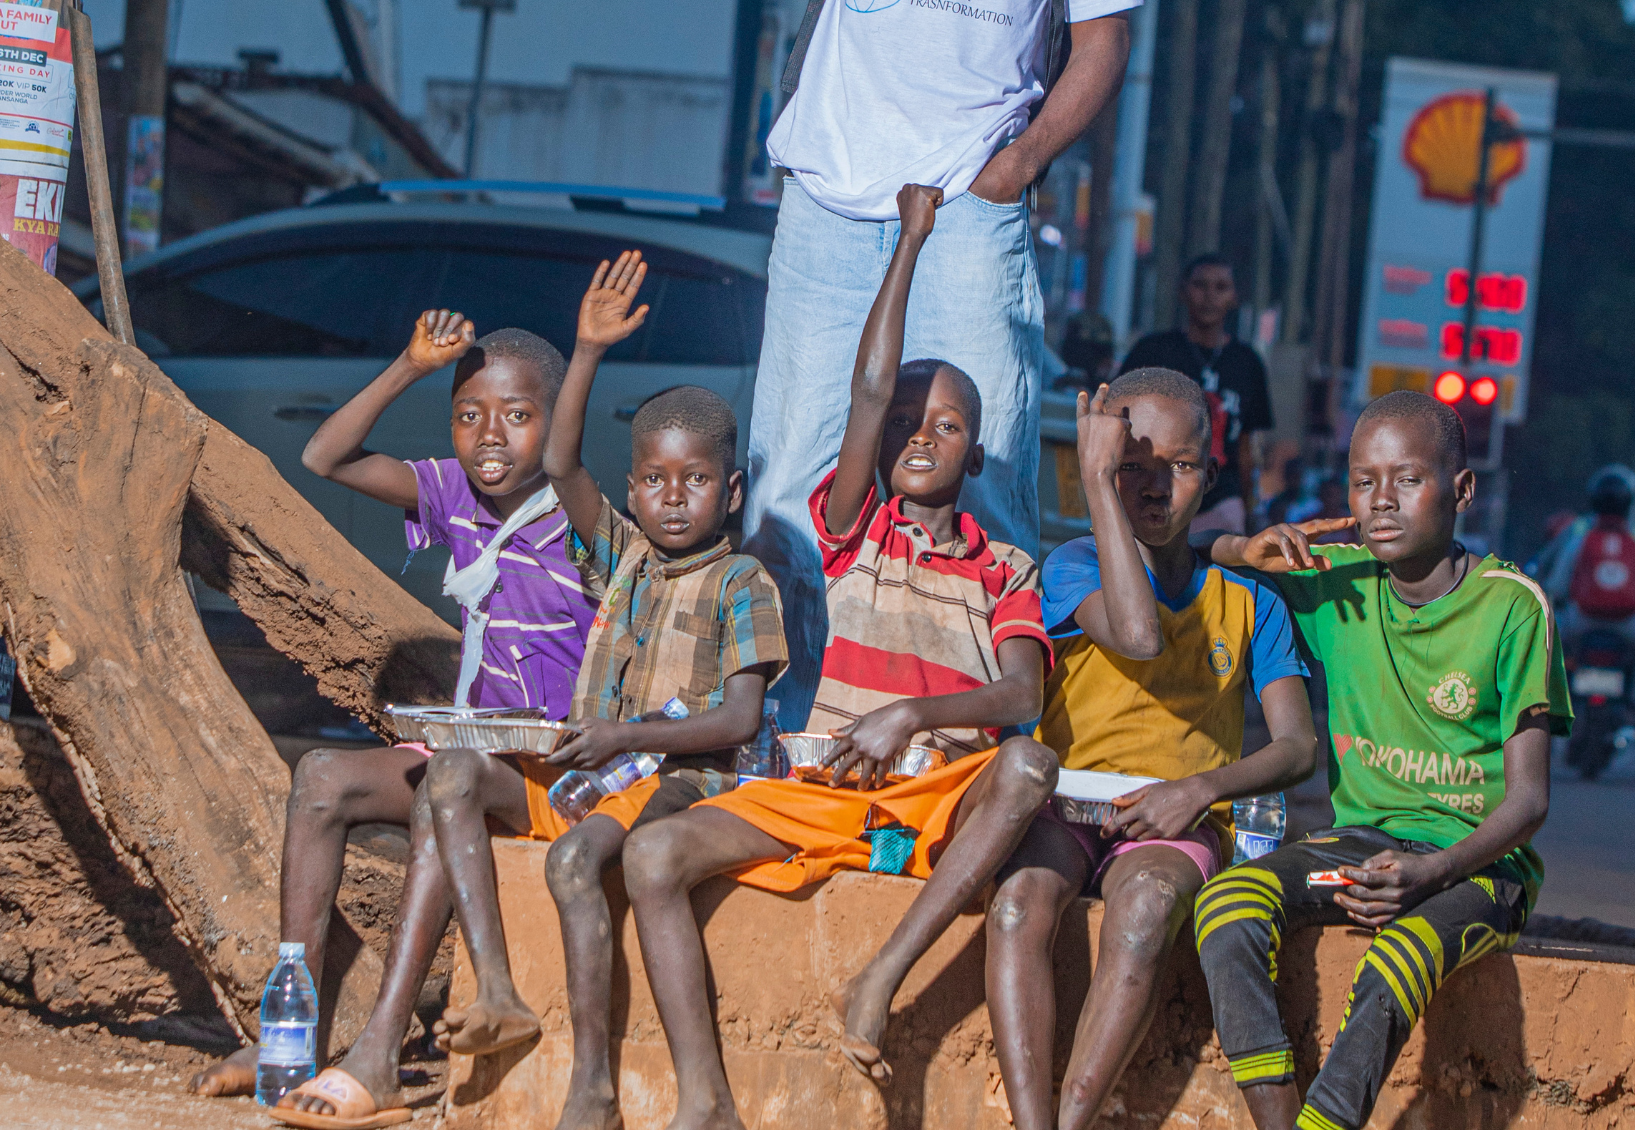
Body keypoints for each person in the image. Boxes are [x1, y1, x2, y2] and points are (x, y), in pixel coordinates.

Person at [618, 0, 1140, 721]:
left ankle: (982, 732)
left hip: (970, 214)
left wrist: (1012, 166)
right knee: (798, 471)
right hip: (831, 212)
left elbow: (1100, 47)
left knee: (985, 468)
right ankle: (786, 726)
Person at [619, 183, 1061, 1123]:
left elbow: (1020, 692)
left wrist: (914, 715)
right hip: (826, 790)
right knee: (654, 858)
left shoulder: (1007, 567)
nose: (917, 435)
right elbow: (868, 389)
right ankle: (705, 1099)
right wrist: (908, 245)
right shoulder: (853, 528)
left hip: (937, 798)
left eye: (947, 425)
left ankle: (882, 975)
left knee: (1027, 765)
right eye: (906, 420)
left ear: (978, 454)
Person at [193, 315, 586, 1101]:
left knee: (453, 784)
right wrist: (408, 365)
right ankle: (287, 1036)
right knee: (322, 777)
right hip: (469, 750)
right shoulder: (455, 495)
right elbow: (324, 455)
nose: (490, 437)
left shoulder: (585, 525)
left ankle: (379, 1047)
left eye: (517, 414)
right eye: (468, 414)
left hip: (553, 775)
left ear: (556, 420)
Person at [1194, 389, 1570, 1130]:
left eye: (1407, 479)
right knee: (1225, 905)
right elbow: (1193, 543)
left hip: (1477, 865)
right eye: (1363, 482)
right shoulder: (1334, 581)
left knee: (1398, 961)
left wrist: (1436, 870)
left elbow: (1529, 803)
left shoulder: (1514, 607)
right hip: (1362, 847)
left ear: (1460, 489)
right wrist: (1247, 547)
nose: (1382, 502)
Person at [984, 370, 1317, 1130]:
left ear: (1210, 472)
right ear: (1102, 467)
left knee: (1143, 915)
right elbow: (1137, 633)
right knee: (1016, 907)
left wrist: (1200, 790)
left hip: (1177, 817)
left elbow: (1298, 747)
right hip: (1067, 803)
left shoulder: (1250, 601)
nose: (1155, 486)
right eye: (1131, 465)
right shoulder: (1073, 568)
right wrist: (1097, 484)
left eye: (1182, 465)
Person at [502, 253, 790, 1130]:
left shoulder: (742, 581)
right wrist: (585, 350)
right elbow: (558, 462)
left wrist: (624, 740)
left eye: (695, 481)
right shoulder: (621, 557)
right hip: (608, 777)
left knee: (583, 856)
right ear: (632, 489)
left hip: (685, 782)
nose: (673, 499)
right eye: (655, 481)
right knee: (505, 816)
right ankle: (544, 1042)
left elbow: (740, 719)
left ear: (729, 490)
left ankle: (652, 1092)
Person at [1120, 255, 1274, 538]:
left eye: (1220, 287)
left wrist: (1253, 509)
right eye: (1200, 285)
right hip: (1155, 486)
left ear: (1234, 297)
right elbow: (1118, 421)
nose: (1209, 296)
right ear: (1183, 291)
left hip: (1220, 496)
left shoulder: (1247, 362)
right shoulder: (1152, 351)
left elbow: (1246, 447)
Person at [1545, 463, 1635, 707]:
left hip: (1581, 619)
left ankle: (1541, 700)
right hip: (1628, 622)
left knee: (1541, 641)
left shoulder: (1580, 533)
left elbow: (1557, 584)